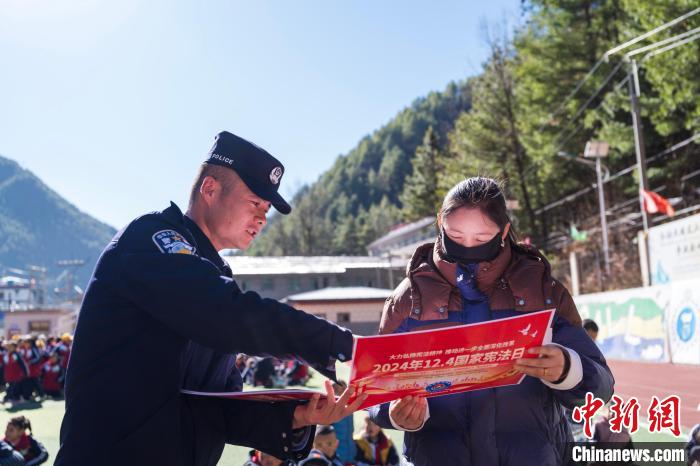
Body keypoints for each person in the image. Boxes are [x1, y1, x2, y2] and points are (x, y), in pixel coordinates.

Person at [56, 131, 366, 466]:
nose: (263, 219)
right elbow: (227, 315)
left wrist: (298, 416)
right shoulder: (150, 240)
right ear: (210, 189)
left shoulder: (212, 275)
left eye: (266, 209)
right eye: (255, 203)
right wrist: (336, 344)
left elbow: (216, 406)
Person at [370, 177, 615, 465]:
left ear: (504, 231)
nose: (467, 247)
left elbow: (601, 387)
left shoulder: (542, 291)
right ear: (440, 222)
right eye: (455, 235)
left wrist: (568, 369)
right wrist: (396, 414)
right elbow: (374, 388)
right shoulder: (409, 299)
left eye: (481, 238)